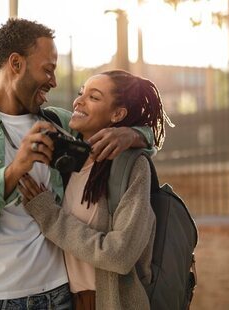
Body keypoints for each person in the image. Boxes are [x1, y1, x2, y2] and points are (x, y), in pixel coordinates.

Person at [0, 18, 153, 310]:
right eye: (47, 69)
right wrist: (15, 170)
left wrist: (134, 133)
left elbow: (118, 122)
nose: (54, 81)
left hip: (58, 296)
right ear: (16, 63)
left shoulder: (58, 123)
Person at [19, 70, 173, 310]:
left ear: (118, 114)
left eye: (94, 97)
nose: (78, 101)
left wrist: (49, 216)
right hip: (64, 301)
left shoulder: (131, 166)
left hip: (110, 302)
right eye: (81, 93)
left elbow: (120, 256)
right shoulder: (68, 154)